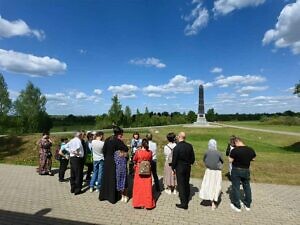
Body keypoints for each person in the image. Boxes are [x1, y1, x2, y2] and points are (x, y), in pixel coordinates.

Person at [99, 126, 128, 204]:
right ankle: (112, 197)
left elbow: (104, 150)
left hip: (107, 160)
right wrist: (122, 142)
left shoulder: (108, 139)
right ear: (119, 133)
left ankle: (104, 195)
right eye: (121, 134)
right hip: (113, 161)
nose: (122, 135)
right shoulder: (117, 140)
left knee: (106, 178)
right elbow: (126, 148)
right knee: (112, 179)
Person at [229, 137, 256, 212]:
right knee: (247, 187)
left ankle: (237, 205)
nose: (234, 145)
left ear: (237, 142)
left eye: (234, 144)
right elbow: (254, 158)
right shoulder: (250, 149)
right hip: (246, 170)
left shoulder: (235, 150)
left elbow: (230, 160)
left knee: (236, 187)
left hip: (236, 170)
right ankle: (247, 205)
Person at [172, 132, 195, 210]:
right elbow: (193, 158)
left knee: (181, 184)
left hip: (180, 168)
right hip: (187, 167)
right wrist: (190, 163)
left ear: (179, 137)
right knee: (186, 182)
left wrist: (173, 168)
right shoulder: (189, 146)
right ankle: (187, 196)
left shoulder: (177, 147)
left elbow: (174, 159)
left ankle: (184, 203)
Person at [199, 139, 223, 210]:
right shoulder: (218, 153)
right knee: (215, 186)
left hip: (209, 171)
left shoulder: (207, 152)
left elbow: (204, 160)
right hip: (216, 172)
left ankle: (210, 199)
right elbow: (222, 160)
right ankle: (213, 201)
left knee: (208, 184)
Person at [132, 139, 155, 209]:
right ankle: (148, 204)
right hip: (147, 170)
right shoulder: (150, 152)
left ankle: (138, 203)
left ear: (142, 144)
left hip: (139, 170)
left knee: (138, 187)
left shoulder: (138, 152)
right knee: (147, 187)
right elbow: (150, 160)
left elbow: (134, 159)